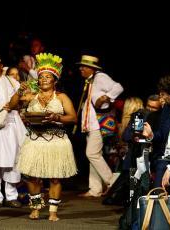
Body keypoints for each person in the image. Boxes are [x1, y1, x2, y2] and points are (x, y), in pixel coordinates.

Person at [17, 53, 77, 221]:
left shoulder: (62, 97)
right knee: (33, 176)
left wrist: (57, 117)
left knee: (55, 177)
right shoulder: (30, 96)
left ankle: (52, 211)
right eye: (41, 76)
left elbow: (73, 117)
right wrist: (19, 91)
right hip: (35, 140)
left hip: (57, 141)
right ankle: (36, 207)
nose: (44, 79)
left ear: (55, 81)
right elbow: (14, 105)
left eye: (48, 77)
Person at [0, 49, 27, 208]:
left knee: (11, 159)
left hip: (10, 124)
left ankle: (11, 195)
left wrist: (15, 102)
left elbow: (24, 97)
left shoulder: (10, 81)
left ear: (1, 65)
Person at [76, 55, 123, 197]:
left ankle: (113, 182)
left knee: (92, 153)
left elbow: (118, 87)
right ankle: (95, 189)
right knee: (95, 155)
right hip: (91, 122)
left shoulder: (100, 77)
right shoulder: (90, 80)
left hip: (98, 123)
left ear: (91, 68)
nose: (80, 69)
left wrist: (107, 97)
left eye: (83, 66)